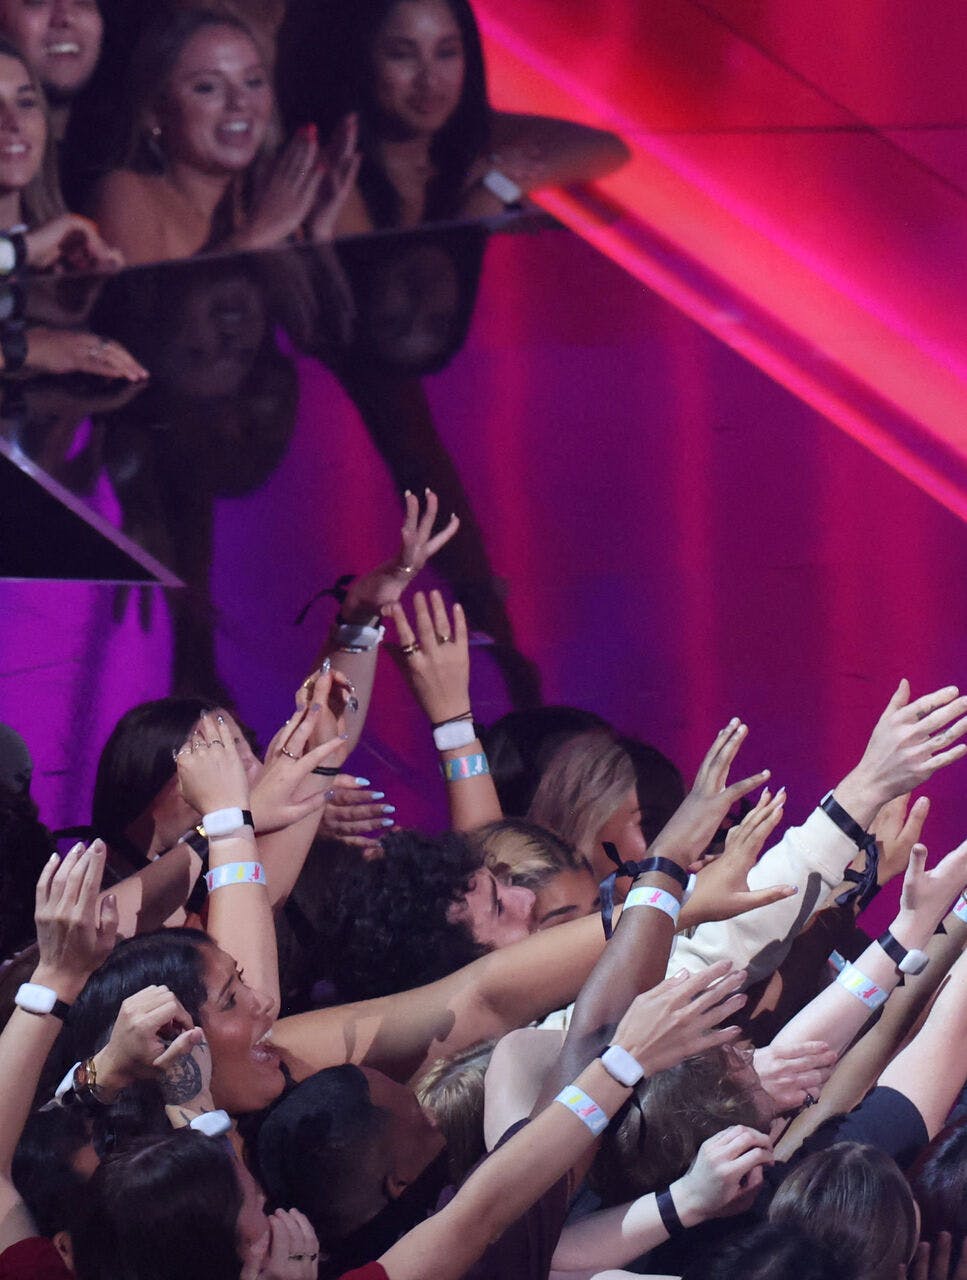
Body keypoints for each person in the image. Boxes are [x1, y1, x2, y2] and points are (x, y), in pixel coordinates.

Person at [276, 0, 630, 233]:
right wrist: (481, 202)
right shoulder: (332, 169)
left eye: (446, 53)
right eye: (402, 55)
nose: (430, 80)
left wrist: (498, 182)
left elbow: (607, 148)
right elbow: (414, 287)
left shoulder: (476, 134)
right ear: (360, 62)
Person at [89, 9, 358, 266]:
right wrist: (255, 236)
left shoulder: (270, 200)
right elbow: (145, 311)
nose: (240, 102)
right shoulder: (128, 192)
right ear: (155, 113)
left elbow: (337, 313)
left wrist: (318, 233)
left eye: (253, 81)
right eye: (207, 87)